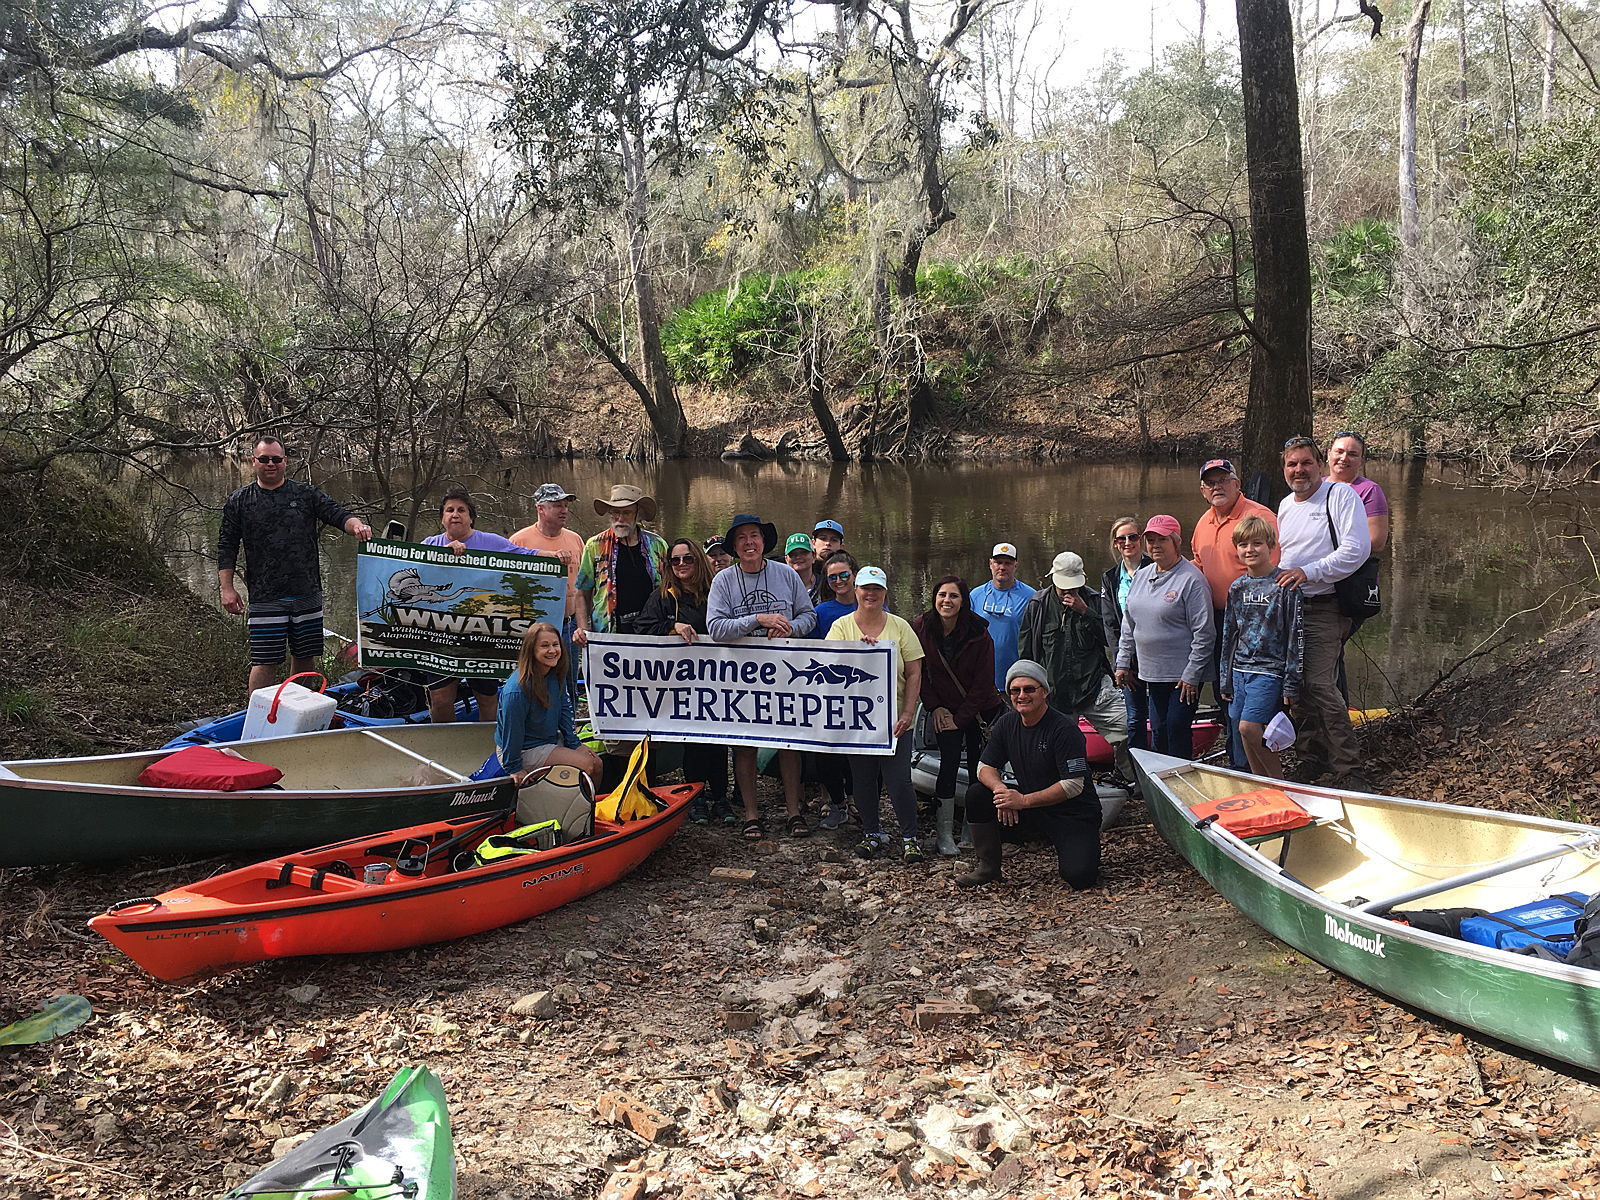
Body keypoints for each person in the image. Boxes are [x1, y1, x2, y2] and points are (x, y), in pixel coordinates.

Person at [217, 435, 373, 697]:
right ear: (254, 461)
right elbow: (226, 546)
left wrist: (356, 525)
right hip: (266, 595)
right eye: (264, 459)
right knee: (265, 660)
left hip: (306, 591)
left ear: (285, 462)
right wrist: (227, 588)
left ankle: (298, 709)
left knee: (305, 656)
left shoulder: (304, 494)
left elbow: (337, 514)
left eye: (276, 459)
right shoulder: (239, 501)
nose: (271, 464)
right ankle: (258, 715)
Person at [706, 513, 818, 840]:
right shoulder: (723, 581)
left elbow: (808, 616)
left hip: (784, 672)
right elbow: (715, 628)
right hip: (742, 676)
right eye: (741, 538)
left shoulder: (786, 574)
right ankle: (751, 815)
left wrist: (788, 629)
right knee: (745, 745)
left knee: (788, 742)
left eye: (754, 535)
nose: (749, 542)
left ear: (764, 541)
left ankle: (794, 811)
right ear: (735, 547)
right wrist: (756, 619)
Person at [956, 659, 1100, 890]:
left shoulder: (1064, 729)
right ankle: (988, 867)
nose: (1022, 695)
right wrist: (1002, 792)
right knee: (977, 794)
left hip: (1071, 812)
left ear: (1044, 692)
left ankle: (1073, 846)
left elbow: (1074, 785)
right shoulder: (1006, 723)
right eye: (1015, 690)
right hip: (1030, 810)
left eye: (1029, 689)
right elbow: (984, 767)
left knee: (1080, 877)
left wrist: (1022, 800)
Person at [1276, 437, 1371, 787]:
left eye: (1305, 462)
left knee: (1320, 684)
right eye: (1291, 464)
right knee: (1296, 688)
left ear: (1319, 463)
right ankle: (1310, 758)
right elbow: (1283, 557)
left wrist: (1309, 572)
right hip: (1291, 608)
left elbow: (1355, 550)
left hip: (1325, 606)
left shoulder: (1340, 496)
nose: (1299, 470)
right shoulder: (1285, 506)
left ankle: (1350, 769)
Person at [827, 567, 925, 861]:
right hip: (858, 722)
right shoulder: (842, 627)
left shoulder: (900, 627)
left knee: (899, 781)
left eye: (877, 589)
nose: (871, 594)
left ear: (885, 593)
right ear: (855, 591)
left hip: (895, 721)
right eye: (865, 588)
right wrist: (856, 651)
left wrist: (909, 712)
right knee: (863, 779)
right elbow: (828, 663)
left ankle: (910, 837)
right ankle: (871, 832)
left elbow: (915, 670)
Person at [421, 486, 540, 726]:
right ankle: (445, 748)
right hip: (441, 635)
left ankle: (487, 748)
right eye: (449, 510)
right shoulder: (430, 543)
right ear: (442, 517)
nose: (455, 514)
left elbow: (527, 556)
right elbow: (414, 573)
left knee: (487, 698)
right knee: (441, 699)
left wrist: (557, 555)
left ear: (471, 517)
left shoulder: (491, 542)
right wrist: (440, 555)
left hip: (482, 633)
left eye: (461, 510)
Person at [1191, 457, 1279, 766]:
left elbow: (1274, 570)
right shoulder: (1204, 522)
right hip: (1217, 621)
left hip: (1254, 623)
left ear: (1236, 484)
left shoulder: (1258, 517)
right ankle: (1236, 762)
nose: (1217, 487)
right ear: (1203, 490)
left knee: (1251, 707)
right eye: (1210, 482)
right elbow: (1198, 566)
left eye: (1223, 480)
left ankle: (1254, 768)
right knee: (1224, 693)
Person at [1019, 550, 1132, 782]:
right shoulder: (1037, 605)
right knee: (1050, 744)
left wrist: (1085, 612)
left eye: (1073, 586)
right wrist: (1030, 689)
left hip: (1093, 687)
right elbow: (1027, 652)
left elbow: (1113, 640)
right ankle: (1057, 784)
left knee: (1127, 729)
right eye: (1064, 586)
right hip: (1054, 692)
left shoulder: (1093, 600)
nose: (1068, 591)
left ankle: (1128, 776)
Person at [639, 539, 730, 824]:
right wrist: (671, 626)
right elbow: (641, 628)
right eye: (675, 560)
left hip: (718, 680)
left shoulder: (716, 591)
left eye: (688, 559)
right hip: (681, 684)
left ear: (698, 561)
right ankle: (696, 795)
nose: (681, 565)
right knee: (693, 739)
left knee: (718, 738)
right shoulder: (663, 596)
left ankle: (721, 795)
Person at [912, 576, 1001, 856]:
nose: (946, 601)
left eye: (953, 596)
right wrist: (935, 707)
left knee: (979, 767)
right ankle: (943, 834)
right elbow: (918, 672)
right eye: (942, 595)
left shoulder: (979, 634)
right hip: (942, 708)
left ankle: (971, 831)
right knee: (948, 764)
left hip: (977, 711)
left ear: (963, 601)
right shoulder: (921, 627)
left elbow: (984, 683)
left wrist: (961, 717)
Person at [1113, 515, 1214, 758]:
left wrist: (1192, 675)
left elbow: (1205, 633)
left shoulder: (1191, 580)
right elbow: (1129, 623)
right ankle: (1160, 778)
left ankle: (1181, 778)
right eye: (1150, 540)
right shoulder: (1141, 576)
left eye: (1162, 540)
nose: (1155, 545)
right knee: (1158, 728)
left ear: (1176, 543)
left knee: (1177, 726)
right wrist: (1123, 662)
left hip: (1182, 675)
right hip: (1152, 672)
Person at [1219, 517, 1303, 779]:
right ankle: (1261, 785)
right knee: (1241, 730)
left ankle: (1279, 785)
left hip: (1270, 671)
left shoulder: (1285, 586)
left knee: (1250, 728)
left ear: (1271, 546)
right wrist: (1225, 678)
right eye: (1243, 544)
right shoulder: (1237, 587)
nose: (1250, 550)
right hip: (1239, 670)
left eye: (1257, 543)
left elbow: (1295, 637)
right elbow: (1228, 635)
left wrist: (1292, 683)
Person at [493, 622, 603, 787]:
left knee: (597, 763)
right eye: (545, 646)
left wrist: (574, 743)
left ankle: (591, 807)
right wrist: (514, 767)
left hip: (548, 740)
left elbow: (565, 711)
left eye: (555, 645)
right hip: (523, 749)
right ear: (532, 650)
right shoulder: (516, 690)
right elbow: (512, 731)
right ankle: (577, 807)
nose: (552, 651)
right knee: (586, 765)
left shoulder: (555, 674)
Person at [1327, 431, 1389, 699]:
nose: (1344, 458)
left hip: (1351, 588)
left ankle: (1338, 717)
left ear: (1361, 460)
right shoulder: (1315, 487)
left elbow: (1375, 542)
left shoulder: (1369, 491)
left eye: (1352, 454)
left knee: (1331, 648)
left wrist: (1326, 550)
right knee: (1321, 651)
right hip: (1317, 586)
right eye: (1339, 451)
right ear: (1328, 455)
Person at [574, 485, 668, 644]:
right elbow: (582, 593)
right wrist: (583, 628)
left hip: (652, 631)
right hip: (609, 631)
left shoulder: (657, 545)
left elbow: (671, 587)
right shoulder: (595, 546)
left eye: (626, 512)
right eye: (615, 513)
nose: (620, 518)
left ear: (638, 515)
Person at [1100, 516, 1151, 759]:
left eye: (1133, 537)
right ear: (1115, 543)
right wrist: (1123, 663)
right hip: (1128, 659)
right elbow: (1110, 625)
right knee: (1135, 718)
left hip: (1157, 656)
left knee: (1161, 719)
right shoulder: (1110, 578)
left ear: (1141, 539)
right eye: (1122, 538)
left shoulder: (1155, 567)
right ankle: (1140, 773)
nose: (1128, 542)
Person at [510, 483, 586, 628]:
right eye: (557, 506)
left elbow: (585, 584)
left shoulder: (575, 539)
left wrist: (582, 623)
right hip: (532, 626)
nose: (564, 511)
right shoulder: (518, 541)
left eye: (566, 506)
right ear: (540, 509)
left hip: (570, 624)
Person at [969, 542, 1036, 692]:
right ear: (990, 564)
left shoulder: (1031, 596)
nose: (1002, 567)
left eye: (1008, 563)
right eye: (998, 562)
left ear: (1016, 565)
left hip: (1017, 679)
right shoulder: (975, 595)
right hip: (981, 677)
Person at [814, 550, 860, 638]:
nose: (838, 581)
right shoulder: (820, 612)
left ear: (854, 574)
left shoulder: (871, 606)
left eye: (844, 575)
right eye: (832, 577)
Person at [784, 533, 824, 605]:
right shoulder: (778, 587)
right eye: (793, 554)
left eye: (803, 553)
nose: (798, 557)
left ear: (814, 556)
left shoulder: (825, 585)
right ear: (786, 559)